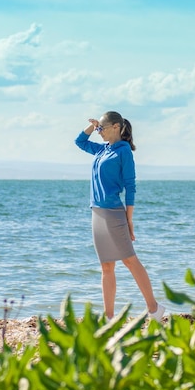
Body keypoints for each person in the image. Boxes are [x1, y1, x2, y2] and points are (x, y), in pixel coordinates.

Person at [75, 111, 165, 322]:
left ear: (116, 127)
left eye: (102, 129)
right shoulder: (101, 150)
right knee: (106, 266)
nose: (99, 134)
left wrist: (129, 218)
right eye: (98, 130)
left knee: (130, 260)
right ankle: (108, 317)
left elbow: (130, 187)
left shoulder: (123, 152)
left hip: (114, 213)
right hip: (96, 212)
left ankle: (154, 309)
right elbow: (79, 141)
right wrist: (92, 126)